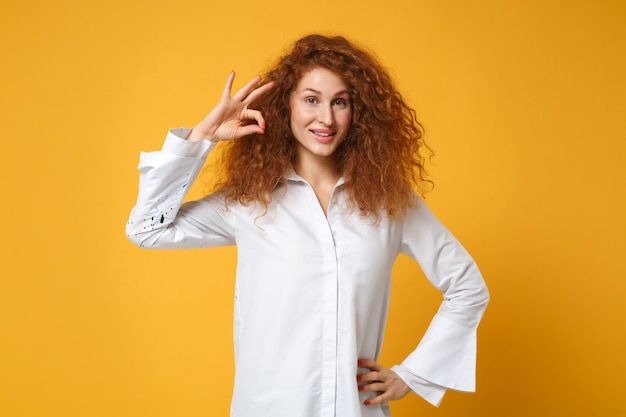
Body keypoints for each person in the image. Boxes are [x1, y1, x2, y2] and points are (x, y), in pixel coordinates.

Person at [126, 34, 489, 417]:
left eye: (340, 102)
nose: (326, 118)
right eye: (311, 100)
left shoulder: (388, 201)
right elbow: (147, 229)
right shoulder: (249, 200)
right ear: (287, 105)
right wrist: (201, 138)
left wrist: (414, 375)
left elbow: (467, 287)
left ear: (357, 111)